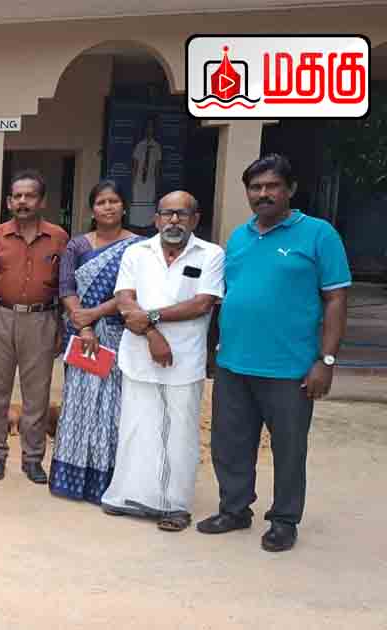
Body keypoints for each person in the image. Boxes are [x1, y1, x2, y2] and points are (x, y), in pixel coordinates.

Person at [199, 154, 351, 552]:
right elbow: (232, 294)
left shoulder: (318, 234)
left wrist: (326, 360)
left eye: (272, 186)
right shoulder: (239, 237)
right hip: (234, 363)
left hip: (290, 368)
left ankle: (284, 519)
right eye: (255, 187)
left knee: (288, 448)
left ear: (290, 189)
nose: (263, 193)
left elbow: (336, 299)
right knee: (230, 443)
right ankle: (235, 509)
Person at [101, 191, 224, 532]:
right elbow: (124, 298)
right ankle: (128, 496)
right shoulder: (137, 252)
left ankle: (174, 505)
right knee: (137, 427)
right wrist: (153, 334)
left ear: (195, 219)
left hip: (183, 360)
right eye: (167, 214)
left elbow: (202, 303)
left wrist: (150, 317)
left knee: (179, 434)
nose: (173, 220)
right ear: (155, 219)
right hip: (139, 354)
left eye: (181, 214)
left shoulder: (211, 254)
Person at [48, 181, 141, 503]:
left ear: (124, 206)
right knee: (79, 404)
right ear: (92, 209)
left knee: (113, 408)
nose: (108, 207)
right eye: (101, 202)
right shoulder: (77, 246)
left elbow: (134, 291)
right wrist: (84, 325)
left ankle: (108, 480)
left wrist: (95, 314)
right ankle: (73, 478)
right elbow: (66, 288)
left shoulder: (139, 247)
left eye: (114, 201)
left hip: (119, 335)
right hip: (82, 337)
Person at [0, 170, 69, 484]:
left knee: (37, 395)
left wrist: (60, 327)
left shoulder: (58, 237)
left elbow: (64, 286)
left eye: (30, 196)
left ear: (42, 201)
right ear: (8, 201)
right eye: (17, 196)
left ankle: (32, 459)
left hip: (42, 319)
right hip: (0, 316)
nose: (23, 201)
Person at [130, 116, 163, 228]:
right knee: (137, 201)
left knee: (149, 202)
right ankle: (137, 224)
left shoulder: (157, 147)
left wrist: (157, 183)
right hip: (139, 180)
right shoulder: (139, 146)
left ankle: (148, 224)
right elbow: (135, 165)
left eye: (151, 127)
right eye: (148, 127)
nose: (149, 130)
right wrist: (133, 182)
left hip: (150, 180)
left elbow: (157, 167)